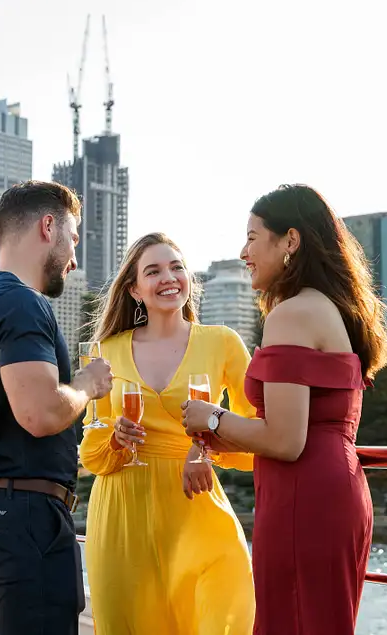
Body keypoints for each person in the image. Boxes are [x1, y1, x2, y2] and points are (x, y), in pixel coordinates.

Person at [181, 184, 387, 635]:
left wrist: (212, 418)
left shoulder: (291, 315)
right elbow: (305, 426)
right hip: (335, 492)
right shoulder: (333, 308)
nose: (243, 251)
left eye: (253, 237)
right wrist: (221, 435)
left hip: (304, 500)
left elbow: (286, 440)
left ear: (290, 241)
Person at [0, 180, 113, 635]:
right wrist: (86, 384)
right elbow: (40, 413)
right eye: (73, 239)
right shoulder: (20, 302)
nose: (74, 259)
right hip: (24, 517)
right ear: (48, 225)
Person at [79, 233, 256, 634]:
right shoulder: (104, 350)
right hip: (124, 514)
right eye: (153, 271)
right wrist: (115, 440)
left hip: (195, 507)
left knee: (222, 615)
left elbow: (257, 433)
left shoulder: (223, 343)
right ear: (134, 290)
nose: (169, 277)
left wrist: (205, 446)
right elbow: (90, 453)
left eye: (177, 267)